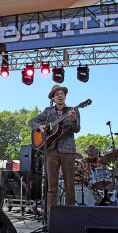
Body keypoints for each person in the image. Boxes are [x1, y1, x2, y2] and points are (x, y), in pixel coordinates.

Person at [28, 84, 80, 216]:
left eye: (61, 93)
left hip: (68, 150)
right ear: (53, 98)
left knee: (70, 185)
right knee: (52, 186)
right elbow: (31, 121)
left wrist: (73, 119)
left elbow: (77, 129)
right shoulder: (48, 111)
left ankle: (71, 216)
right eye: (57, 94)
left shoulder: (73, 110)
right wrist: (40, 126)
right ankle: (50, 217)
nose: (60, 96)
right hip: (51, 150)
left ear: (65, 96)